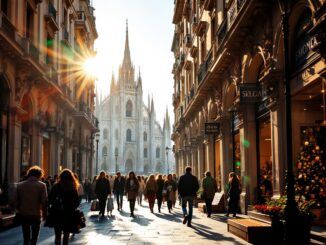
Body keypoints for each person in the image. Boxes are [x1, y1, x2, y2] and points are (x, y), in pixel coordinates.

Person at [16, 165, 47, 245]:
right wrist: (45, 214)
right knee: (34, 238)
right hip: (36, 214)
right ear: (39, 175)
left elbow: (16, 200)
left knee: (26, 237)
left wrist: (19, 209)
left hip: (24, 214)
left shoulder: (20, 185)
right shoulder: (42, 185)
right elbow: (44, 201)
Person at [49, 169, 80, 245]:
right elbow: (76, 202)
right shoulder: (72, 188)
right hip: (69, 214)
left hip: (57, 213)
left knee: (57, 235)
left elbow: (50, 199)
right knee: (66, 235)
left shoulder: (56, 186)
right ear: (71, 177)